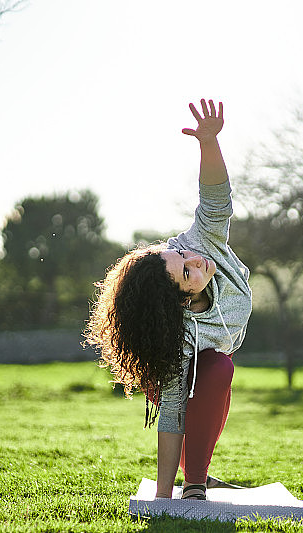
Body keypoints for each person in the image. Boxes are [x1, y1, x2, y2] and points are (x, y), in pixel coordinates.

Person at [85, 99, 252, 500]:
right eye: (187, 273)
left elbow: (216, 199)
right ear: (180, 301)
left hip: (209, 366)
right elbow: (173, 414)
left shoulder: (201, 242)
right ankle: (194, 483)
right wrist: (164, 497)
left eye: (182, 256)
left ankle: (198, 470)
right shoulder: (177, 338)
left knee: (217, 372)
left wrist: (208, 143)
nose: (196, 261)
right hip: (173, 372)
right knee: (217, 368)